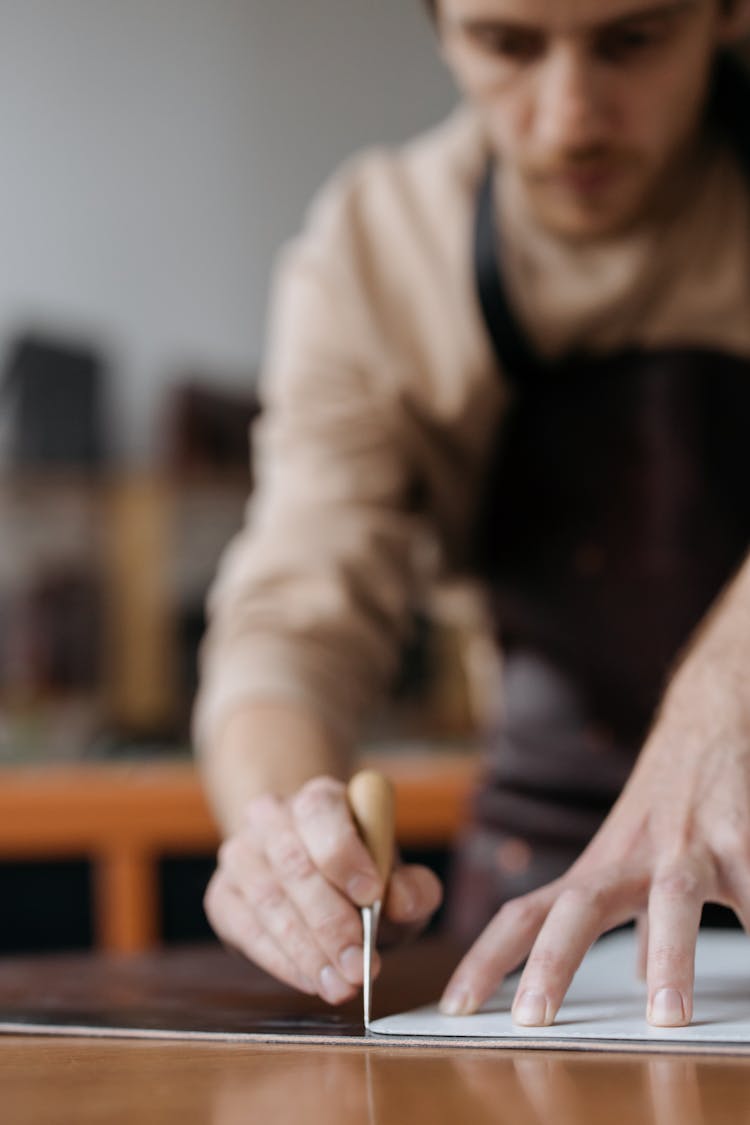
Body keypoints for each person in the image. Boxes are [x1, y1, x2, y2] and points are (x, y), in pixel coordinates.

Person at [194, 0, 750, 1029]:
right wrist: (286, 833)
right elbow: (295, 616)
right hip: (538, 884)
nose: (570, 117)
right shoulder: (378, 249)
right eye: (507, 45)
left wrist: (725, 699)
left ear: (728, 13)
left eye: (631, 40)